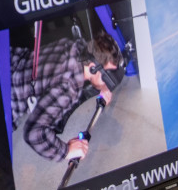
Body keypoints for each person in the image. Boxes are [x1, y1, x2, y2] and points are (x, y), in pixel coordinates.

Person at [10, 34, 123, 163]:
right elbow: (34, 133)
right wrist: (67, 150)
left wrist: (101, 85)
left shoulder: (71, 46)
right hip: (4, 101)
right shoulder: (68, 87)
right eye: (107, 76)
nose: (107, 82)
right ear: (93, 68)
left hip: (7, 64)